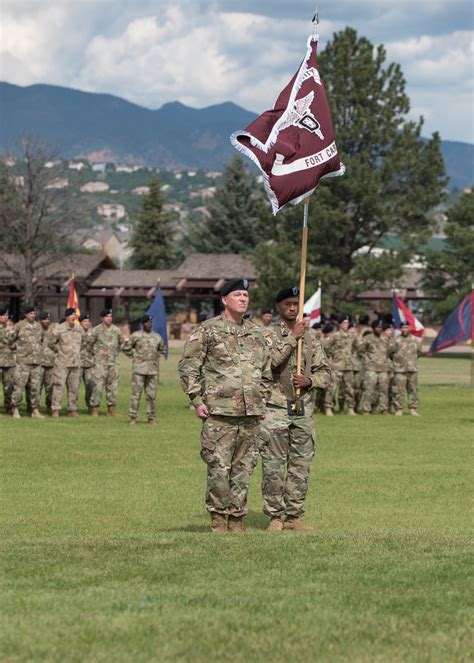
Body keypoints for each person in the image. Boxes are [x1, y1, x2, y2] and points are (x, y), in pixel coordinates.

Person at [178, 278, 272, 534]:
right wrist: (197, 400)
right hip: (219, 413)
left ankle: (237, 519)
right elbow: (188, 366)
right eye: (237, 294)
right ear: (224, 299)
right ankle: (218, 519)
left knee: (244, 469)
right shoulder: (208, 330)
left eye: (245, 295)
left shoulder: (256, 333)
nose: (243, 298)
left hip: (251, 413)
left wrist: (261, 398)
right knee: (219, 468)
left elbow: (266, 372)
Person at [261, 287, 331, 531]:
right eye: (287, 304)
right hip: (275, 407)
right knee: (273, 464)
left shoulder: (311, 339)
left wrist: (310, 381)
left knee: (300, 464)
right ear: (278, 306)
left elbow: (326, 373)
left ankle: (293, 516)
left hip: (302, 409)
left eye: (296, 304)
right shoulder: (268, 335)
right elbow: (268, 364)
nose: (292, 308)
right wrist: (292, 338)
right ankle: (275, 516)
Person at [126, 314, 166, 425]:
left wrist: (155, 357)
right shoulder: (136, 336)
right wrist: (133, 355)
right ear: (143, 324)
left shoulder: (157, 337)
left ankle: (151, 418)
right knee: (136, 395)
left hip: (152, 370)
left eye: (150, 322)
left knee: (151, 396)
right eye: (147, 322)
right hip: (139, 370)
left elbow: (162, 349)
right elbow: (126, 347)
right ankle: (133, 417)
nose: (149, 324)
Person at [87, 308, 127, 416]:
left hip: (113, 363)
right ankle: (94, 408)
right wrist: (96, 354)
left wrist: (115, 353)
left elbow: (121, 343)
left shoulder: (116, 330)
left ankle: (111, 409)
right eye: (107, 316)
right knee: (98, 386)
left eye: (110, 316)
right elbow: (89, 344)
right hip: (100, 363)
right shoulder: (96, 330)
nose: (109, 318)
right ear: (102, 318)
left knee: (112, 387)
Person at [10, 306, 44, 419]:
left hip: (36, 362)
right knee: (19, 386)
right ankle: (15, 409)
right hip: (23, 362)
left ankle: (35, 410)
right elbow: (10, 340)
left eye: (34, 313)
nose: (32, 315)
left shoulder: (38, 326)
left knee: (35, 387)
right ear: (25, 315)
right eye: (30, 313)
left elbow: (42, 341)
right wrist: (18, 351)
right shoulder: (19, 326)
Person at [49, 308, 84, 417]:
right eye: (72, 315)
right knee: (59, 386)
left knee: (74, 387)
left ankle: (72, 409)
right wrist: (59, 350)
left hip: (75, 363)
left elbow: (84, 342)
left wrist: (77, 352)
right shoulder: (59, 328)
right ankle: (55, 409)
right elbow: (50, 342)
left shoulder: (79, 329)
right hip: (62, 362)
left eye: (75, 315)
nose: (74, 317)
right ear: (67, 316)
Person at [323, 314, 358, 416]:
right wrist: (330, 357)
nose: (346, 325)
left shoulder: (352, 336)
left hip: (349, 366)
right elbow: (325, 347)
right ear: (339, 324)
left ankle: (351, 408)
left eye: (347, 323)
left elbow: (357, 348)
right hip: (337, 366)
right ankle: (328, 407)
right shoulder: (335, 336)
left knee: (349, 388)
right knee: (332, 388)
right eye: (344, 323)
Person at [390, 320, 422, 416]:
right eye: (403, 327)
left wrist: (411, 362)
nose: (404, 329)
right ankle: (398, 409)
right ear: (400, 329)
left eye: (406, 327)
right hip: (399, 369)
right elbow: (390, 353)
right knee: (399, 390)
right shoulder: (395, 340)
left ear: (410, 328)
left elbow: (419, 352)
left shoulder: (415, 340)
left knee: (413, 389)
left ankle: (412, 409)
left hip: (412, 369)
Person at [359, 319, 390, 415]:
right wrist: (367, 361)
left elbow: (388, 352)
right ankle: (366, 410)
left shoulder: (386, 338)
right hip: (371, 369)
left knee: (384, 390)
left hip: (383, 368)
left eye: (381, 327)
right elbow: (361, 351)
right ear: (373, 328)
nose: (379, 329)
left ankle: (384, 409)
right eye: (377, 327)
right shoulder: (367, 338)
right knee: (369, 390)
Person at [37, 312, 56, 415]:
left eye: (48, 319)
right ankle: (34, 408)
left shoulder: (53, 331)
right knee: (36, 387)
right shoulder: (35, 330)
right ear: (40, 320)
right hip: (38, 363)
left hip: (50, 363)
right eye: (45, 319)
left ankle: (50, 407)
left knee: (51, 387)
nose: (47, 321)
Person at [0, 307, 15, 414]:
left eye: (7, 315)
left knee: (9, 385)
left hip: (9, 361)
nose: (6, 317)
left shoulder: (12, 327)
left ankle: (9, 406)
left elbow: (15, 341)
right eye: (4, 315)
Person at [78, 314, 95, 410]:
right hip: (78, 363)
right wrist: (85, 339)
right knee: (75, 386)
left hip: (89, 363)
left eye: (88, 321)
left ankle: (90, 405)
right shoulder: (76, 332)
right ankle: (73, 407)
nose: (87, 323)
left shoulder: (92, 333)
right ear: (80, 323)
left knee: (90, 385)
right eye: (84, 321)